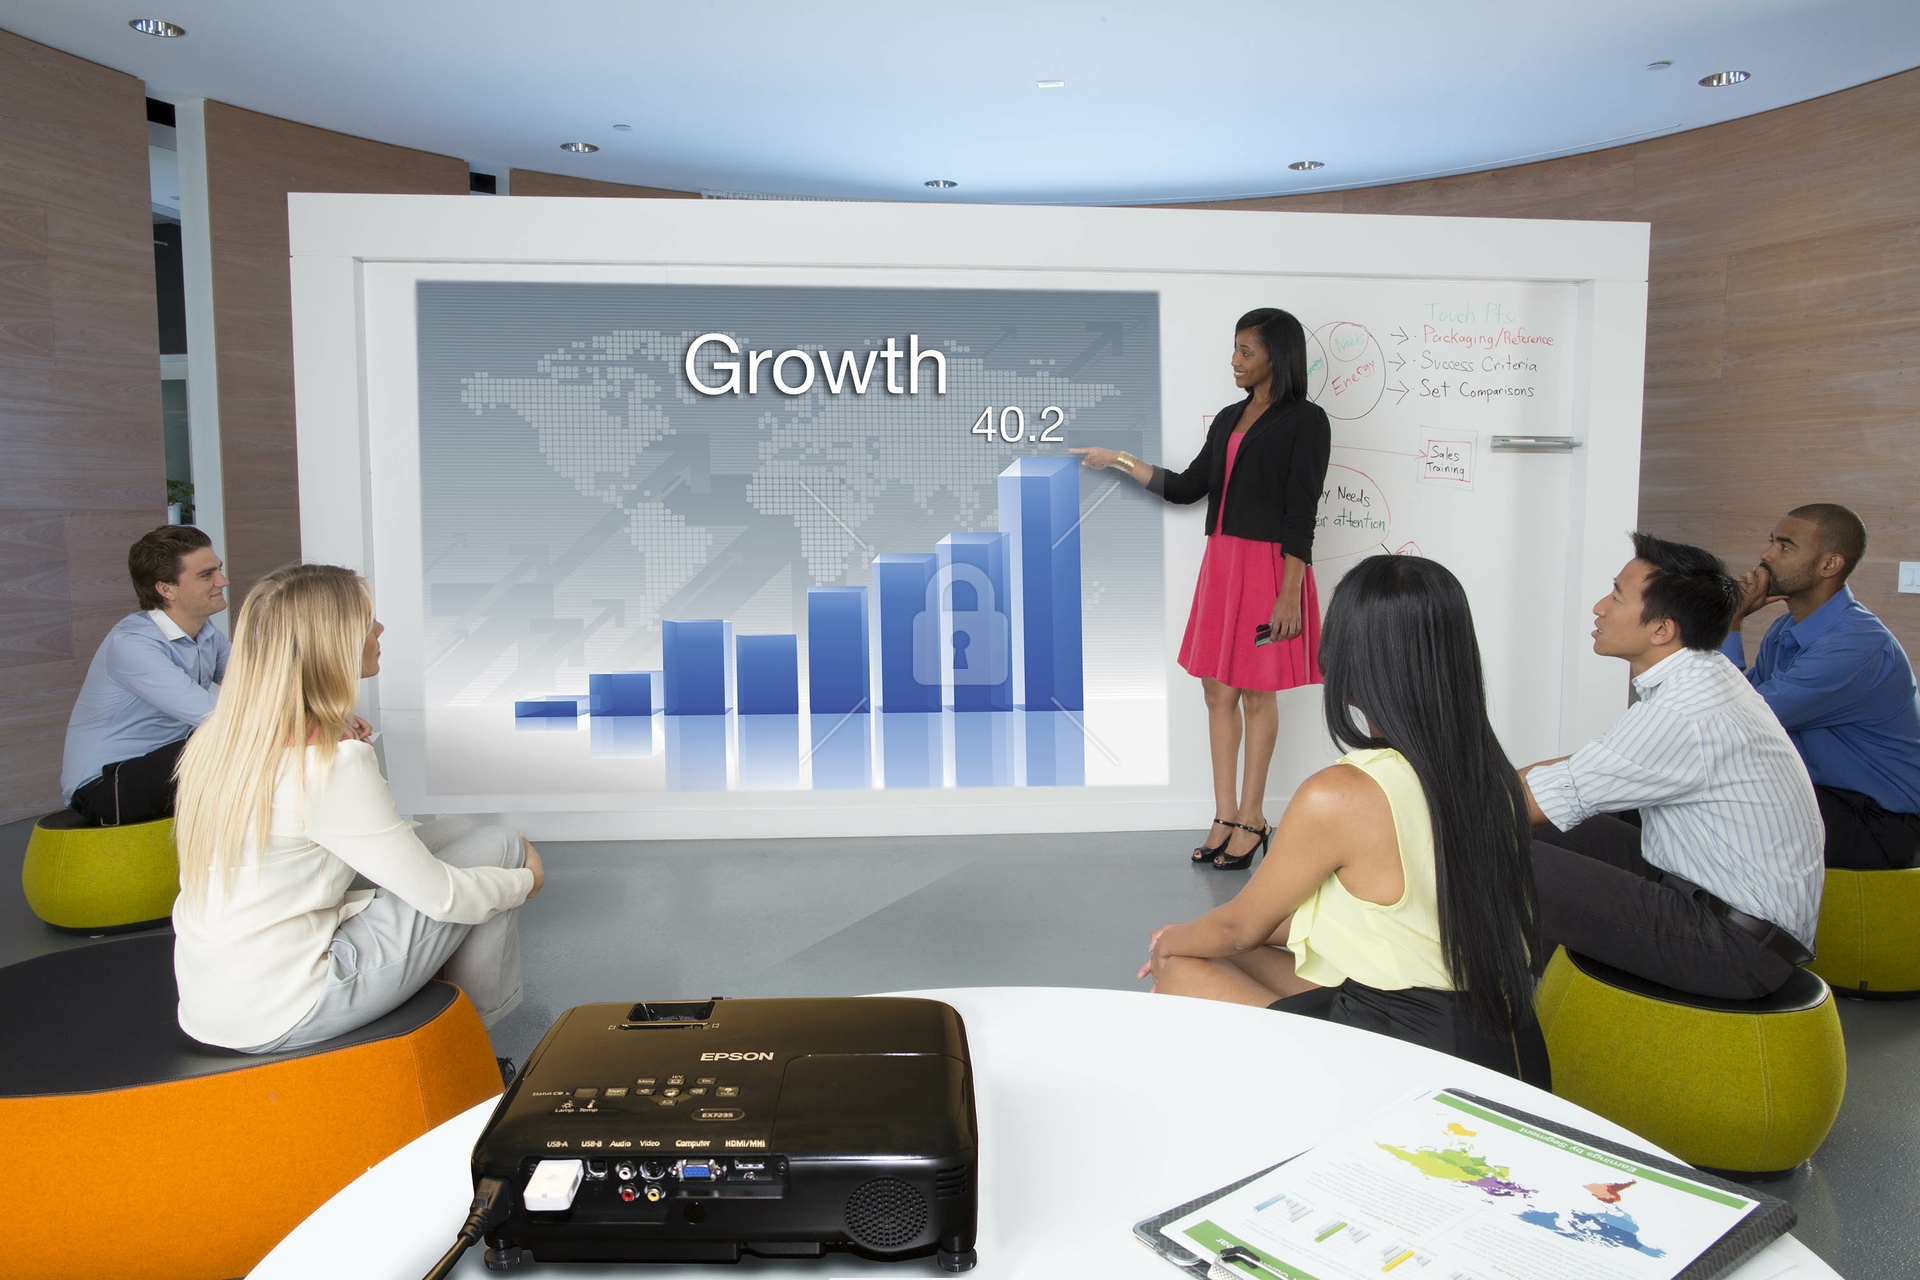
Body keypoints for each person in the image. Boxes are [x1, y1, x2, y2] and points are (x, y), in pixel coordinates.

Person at [1140, 555, 1548, 1083]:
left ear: (1350, 661)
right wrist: (1192, 932)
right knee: (1220, 949)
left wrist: (1169, 944)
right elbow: (1290, 925)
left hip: (1409, 1058)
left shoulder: (1340, 795)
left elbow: (1239, 929)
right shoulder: (1493, 775)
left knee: (1182, 968)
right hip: (1509, 1041)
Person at [172, 563, 542, 1053]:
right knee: (501, 848)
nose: (380, 629)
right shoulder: (330, 763)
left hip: (218, 999)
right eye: (367, 622)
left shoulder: (217, 738)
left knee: (460, 832)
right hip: (292, 1005)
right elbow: (441, 898)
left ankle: (457, 1027)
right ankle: (471, 1050)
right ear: (333, 645)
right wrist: (526, 881)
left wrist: (336, 725)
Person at [1072, 308, 1332, 870]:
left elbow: (1301, 512)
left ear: (1277, 357)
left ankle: (1254, 817)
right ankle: (1224, 814)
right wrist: (1117, 459)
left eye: (1246, 351)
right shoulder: (1230, 418)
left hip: (1269, 569)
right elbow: (1188, 487)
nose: (1235, 361)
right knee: (1217, 691)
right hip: (1222, 563)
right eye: (1235, 349)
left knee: (1258, 692)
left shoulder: (1307, 421)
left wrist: (1290, 592)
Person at [1522, 534, 1824, 1000]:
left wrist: (1417, 800)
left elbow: (1530, 800)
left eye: (1616, 596)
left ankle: (1498, 1010)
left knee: (1493, 854)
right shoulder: (1702, 676)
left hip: (1737, 948)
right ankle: (1542, 995)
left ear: (1662, 629)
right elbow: (1578, 771)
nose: (1599, 608)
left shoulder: (1687, 711)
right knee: (1541, 831)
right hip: (1709, 897)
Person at [1721, 503, 1920, 869]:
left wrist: (1730, 622)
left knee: (1711, 798)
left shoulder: (1855, 646)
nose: (1767, 555)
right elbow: (1727, 708)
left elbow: (1734, 721)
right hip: (1823, 799)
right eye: (1771, 542)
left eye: (1785, 546)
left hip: (1877, 824)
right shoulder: (1784, 630)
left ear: (1830, 564)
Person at [61, 525, 237, 825]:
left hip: (163, 764)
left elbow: (260, 688)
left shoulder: (208, 634)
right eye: (206, 575)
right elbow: (216, 716)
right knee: (235, 741)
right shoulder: (132, 645)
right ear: (166, 589)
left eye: (218, 570)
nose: (223, 581)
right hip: (105, 785)